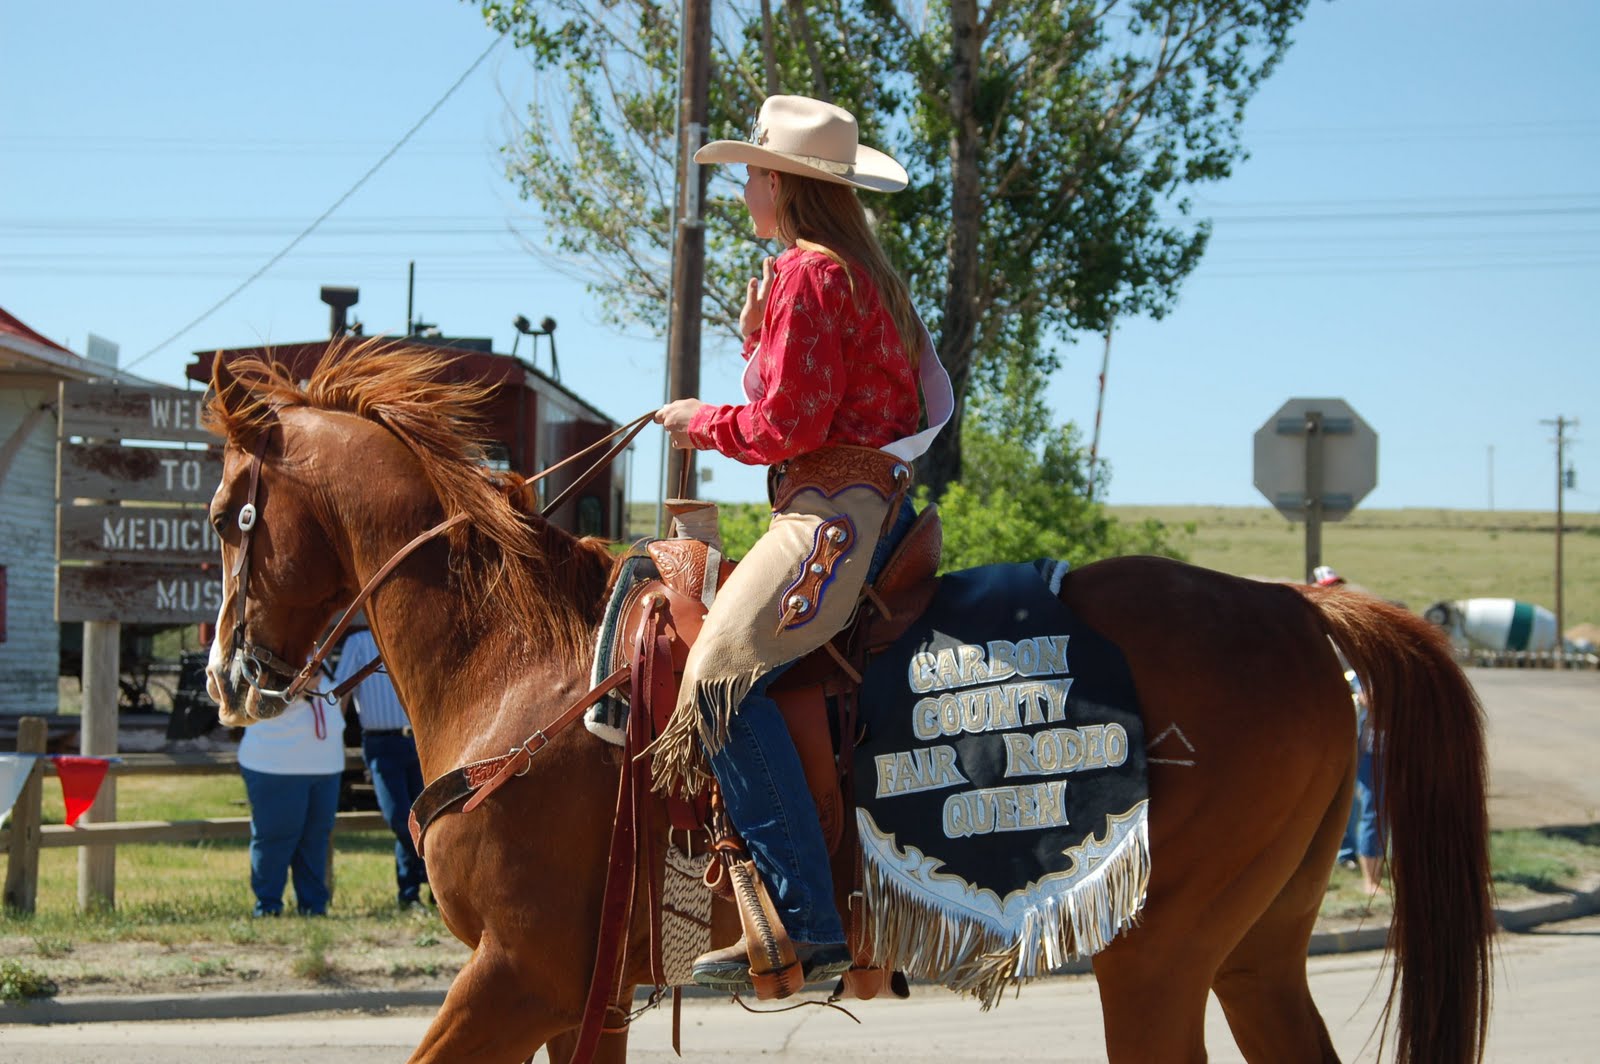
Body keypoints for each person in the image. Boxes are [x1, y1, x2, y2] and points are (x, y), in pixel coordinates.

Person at [650, 94, 952, 990]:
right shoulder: (859, 274)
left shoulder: (809, 273)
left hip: (831, 512)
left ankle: (805, 920)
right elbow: (824, 397)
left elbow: (786, 424)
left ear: (780, 182)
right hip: (853, 499)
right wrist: (757, 342)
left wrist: (699, 419)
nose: (746, 189)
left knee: (716, 679)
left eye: (751, 175)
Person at [332, 625, 429, 911]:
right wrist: (333, 737)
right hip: (382, 743)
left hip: (420, 740)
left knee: (428, 818)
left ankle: (411, 895)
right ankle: (428, 877)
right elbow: (342, 689)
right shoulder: (359, 643)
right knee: (399, 818)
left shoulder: (412, 634)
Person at [237, 693, 345, 916]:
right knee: (275, 837)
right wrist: (300, 687)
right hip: (275, 763)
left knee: (315, 840)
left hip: (326, 763)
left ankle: (314, 907)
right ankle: (268, 907)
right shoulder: (265, 657)